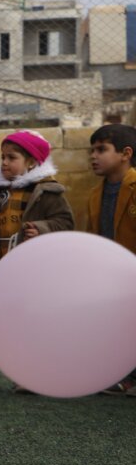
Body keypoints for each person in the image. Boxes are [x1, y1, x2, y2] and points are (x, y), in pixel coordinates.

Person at [0, 132, 74, 348]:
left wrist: (42, 228)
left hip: (33, 273)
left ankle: (38, 366)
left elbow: (65, 222)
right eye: (2, 157)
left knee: (35, 320)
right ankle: (17, 368)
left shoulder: (48, 192)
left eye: (12, 158)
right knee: (8, 321)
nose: (4, 163)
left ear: (31, 162)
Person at [82, 124, 136, 396]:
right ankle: (122, 376)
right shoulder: (94, 195)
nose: (93, 156)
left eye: (101, 149)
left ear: (126, 153)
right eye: (92, 150)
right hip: (112, 275)